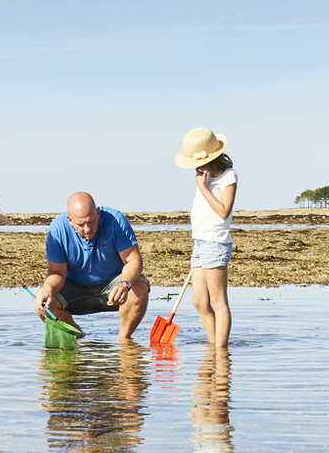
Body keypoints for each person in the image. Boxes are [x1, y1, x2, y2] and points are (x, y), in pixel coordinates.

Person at [32, 192, 151, 342]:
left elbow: (133, 262)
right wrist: (48, 289)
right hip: (74, 291)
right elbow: (57, 272)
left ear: (98, 213)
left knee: (139, 287)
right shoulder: (57, 229)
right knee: (42, 306)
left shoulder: (115, 220)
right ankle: (79, 336)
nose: (87, 229)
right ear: (70, 220)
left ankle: (124, 341)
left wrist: (124, 284)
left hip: (112, 288)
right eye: (81, 225)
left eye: (91, 222)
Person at [174, 127, 237, 348]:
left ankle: (221, 352)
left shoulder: (228, 177)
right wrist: (203, 183)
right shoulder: (204, 177)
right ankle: (213, 346)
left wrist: (203, 188)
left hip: (215, 243)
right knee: (200, 302)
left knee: (218, 301)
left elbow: (223, 211)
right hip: (200, 243)